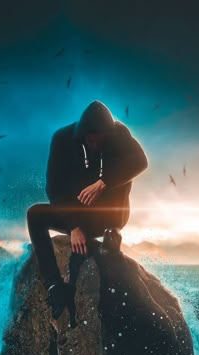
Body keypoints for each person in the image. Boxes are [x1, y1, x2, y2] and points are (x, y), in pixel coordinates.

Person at [27, 100, 148, 327]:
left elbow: (141, 161)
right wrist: (73, 226)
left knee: (125, 170)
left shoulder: (119, 132)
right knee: (34, 214)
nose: (96, 144)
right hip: (77, 215)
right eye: (92, 139)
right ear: (83, 134)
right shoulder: (62, 139)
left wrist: (104, 183)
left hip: (111, 214)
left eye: (101, 139)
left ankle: (111, 234)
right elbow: (54, 189)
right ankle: (54, 286)